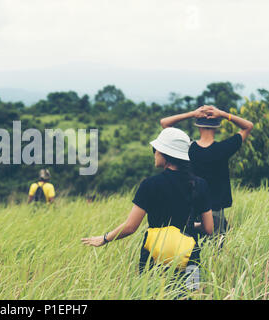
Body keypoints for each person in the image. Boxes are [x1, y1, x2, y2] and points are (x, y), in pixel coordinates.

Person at [81, 128, 214, 292]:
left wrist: (105, 238)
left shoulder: (150, 185)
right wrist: (189, 226)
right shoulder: (200, 184)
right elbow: (209, 229)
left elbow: (130, 227)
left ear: (165, 154)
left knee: (151, 294)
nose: (154, 153)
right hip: (190, 257)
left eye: (155, 150)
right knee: (190, 295)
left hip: (154, 256)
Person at [160, 105, 253, 238]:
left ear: (198, 126)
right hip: (215, 211)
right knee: (215, 253)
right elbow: (248, 126)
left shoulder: (188, 148)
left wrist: (193, 113)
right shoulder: (224, 148)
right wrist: (223, 113)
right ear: (217, 127)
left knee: (191, 250)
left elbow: (164, 123)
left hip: (191, 210)